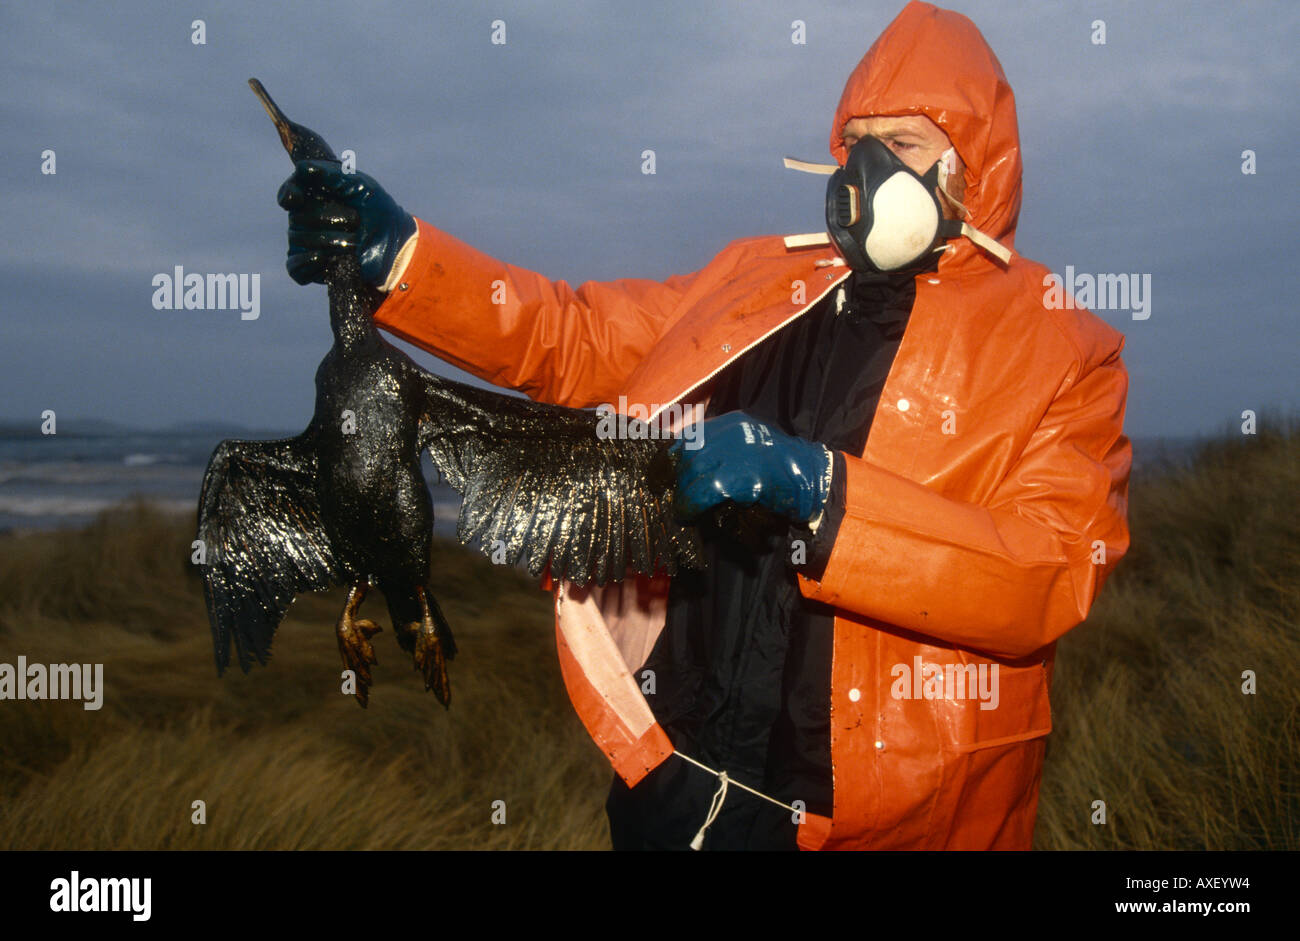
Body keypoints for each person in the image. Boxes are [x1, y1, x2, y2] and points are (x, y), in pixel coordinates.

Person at [278, 0, 1131, 850]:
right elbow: (570, 333)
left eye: (901, 146)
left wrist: (824, 496)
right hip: (680, 779)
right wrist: (403, 260)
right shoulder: (755, 280)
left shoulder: (1060, 345)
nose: (866, 171)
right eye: (854, 144)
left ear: (969, 168)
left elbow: (1050, 570)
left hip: (889, 823)